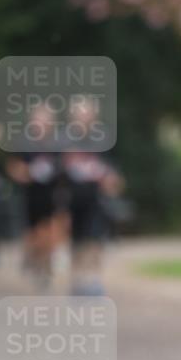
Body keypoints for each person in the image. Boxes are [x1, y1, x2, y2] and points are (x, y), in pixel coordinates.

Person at [63, 98, 123, 295]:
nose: (84, 117)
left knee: (95, 239)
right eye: (80, 113)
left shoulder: (103, 139)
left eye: (87, 113)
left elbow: (111, 168)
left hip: (96, 199)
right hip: (72, 199)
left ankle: (94, 280)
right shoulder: (64, 140)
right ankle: (77, 280)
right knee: (76, 242)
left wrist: (112, 181)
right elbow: (56, 171)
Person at [6, 102, 63, 291]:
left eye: (46, 121)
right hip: (30, 196)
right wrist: (25, 173)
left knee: (49, 232)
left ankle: (45, 266)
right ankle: (33, 258)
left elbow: (65, 169)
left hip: (51, 196)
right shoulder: (25, 144)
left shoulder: (58, 145)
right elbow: (13, 168)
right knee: (33, 235)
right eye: (39, 120)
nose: (43, 125)